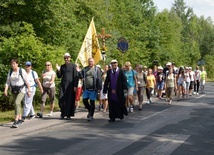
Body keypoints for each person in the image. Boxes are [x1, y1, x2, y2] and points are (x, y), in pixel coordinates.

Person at [4, 59, 31, 128]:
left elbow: (27, 81)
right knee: (17, 104)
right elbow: (8, 82)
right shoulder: (10, 72)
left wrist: (29, 90)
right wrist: (5, 90)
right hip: (13, 90)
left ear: (17, 64)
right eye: (12, 64)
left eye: (14, 64)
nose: (13, 65)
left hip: (22, 89)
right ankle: (20, 118)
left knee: (17, 102)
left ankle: (16, 120)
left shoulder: (21, 71)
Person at [56, 53, 78, 119]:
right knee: (61, 99)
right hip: (63, 85)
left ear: (70, 58)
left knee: (69, 100)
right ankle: (63, 113)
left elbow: (75, 76)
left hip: (71, 86)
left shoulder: (73, 66)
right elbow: (59, 76)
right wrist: (58, 70)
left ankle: (68, 115)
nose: (66, 59)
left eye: (67, 58)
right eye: (65, 58)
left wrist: (75, 86)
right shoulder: (62, 66)